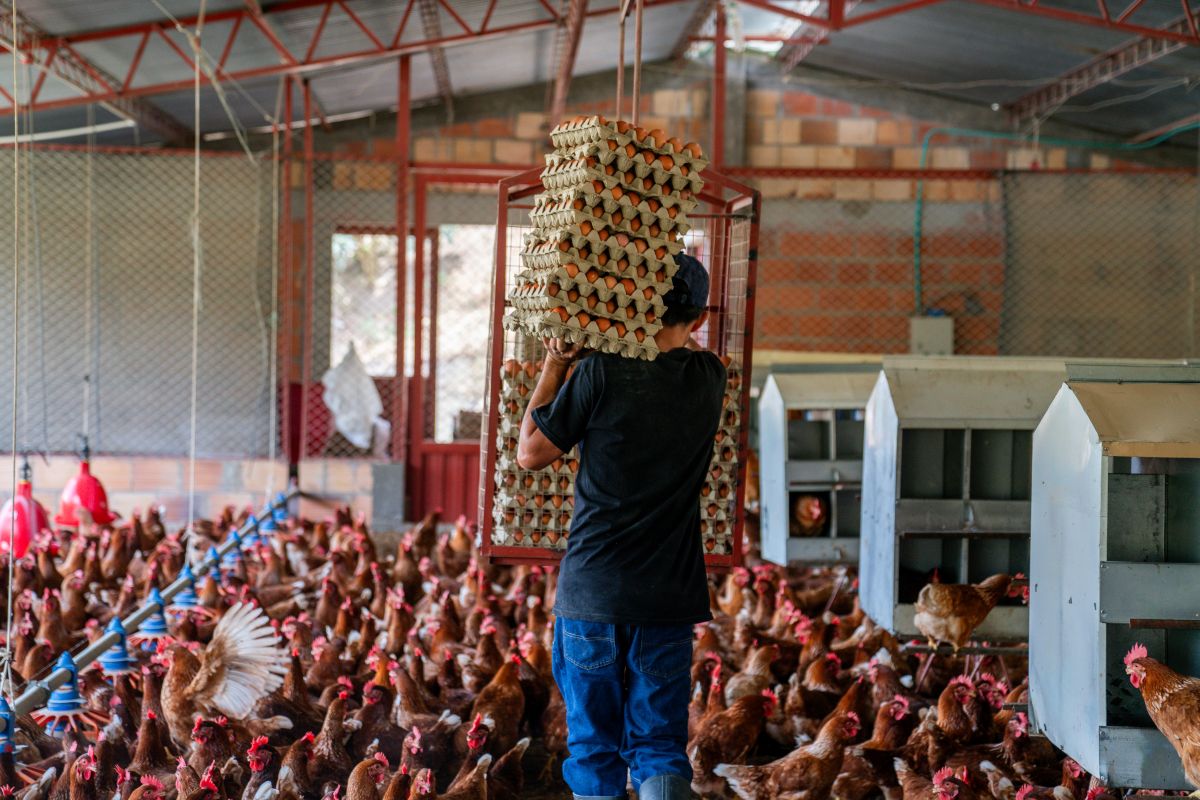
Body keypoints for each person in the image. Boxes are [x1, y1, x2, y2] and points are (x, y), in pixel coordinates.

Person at [516, 254, 726, 800]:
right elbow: (676, 353)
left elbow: (530, 454)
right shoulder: (710, 377)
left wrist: (556, 364)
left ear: (632, 305)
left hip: (595, 594)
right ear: (699, 319)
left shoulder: (599, 371)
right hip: (669, 596)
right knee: (659, 744)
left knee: (593, 745)